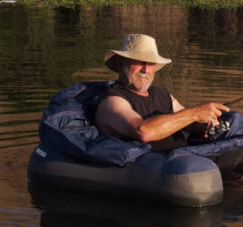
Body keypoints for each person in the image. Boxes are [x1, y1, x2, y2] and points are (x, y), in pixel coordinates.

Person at [94, 33, 230, 151]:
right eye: (139, 62)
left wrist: (204, 126)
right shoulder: (112, 102)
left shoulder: (162, 94)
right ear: (120, 63)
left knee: (235, 120)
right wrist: (195, 113)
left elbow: (188, 122)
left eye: (151, 64)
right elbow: (143, 132)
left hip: (184, 158)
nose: (146, 70)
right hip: (153, 168)